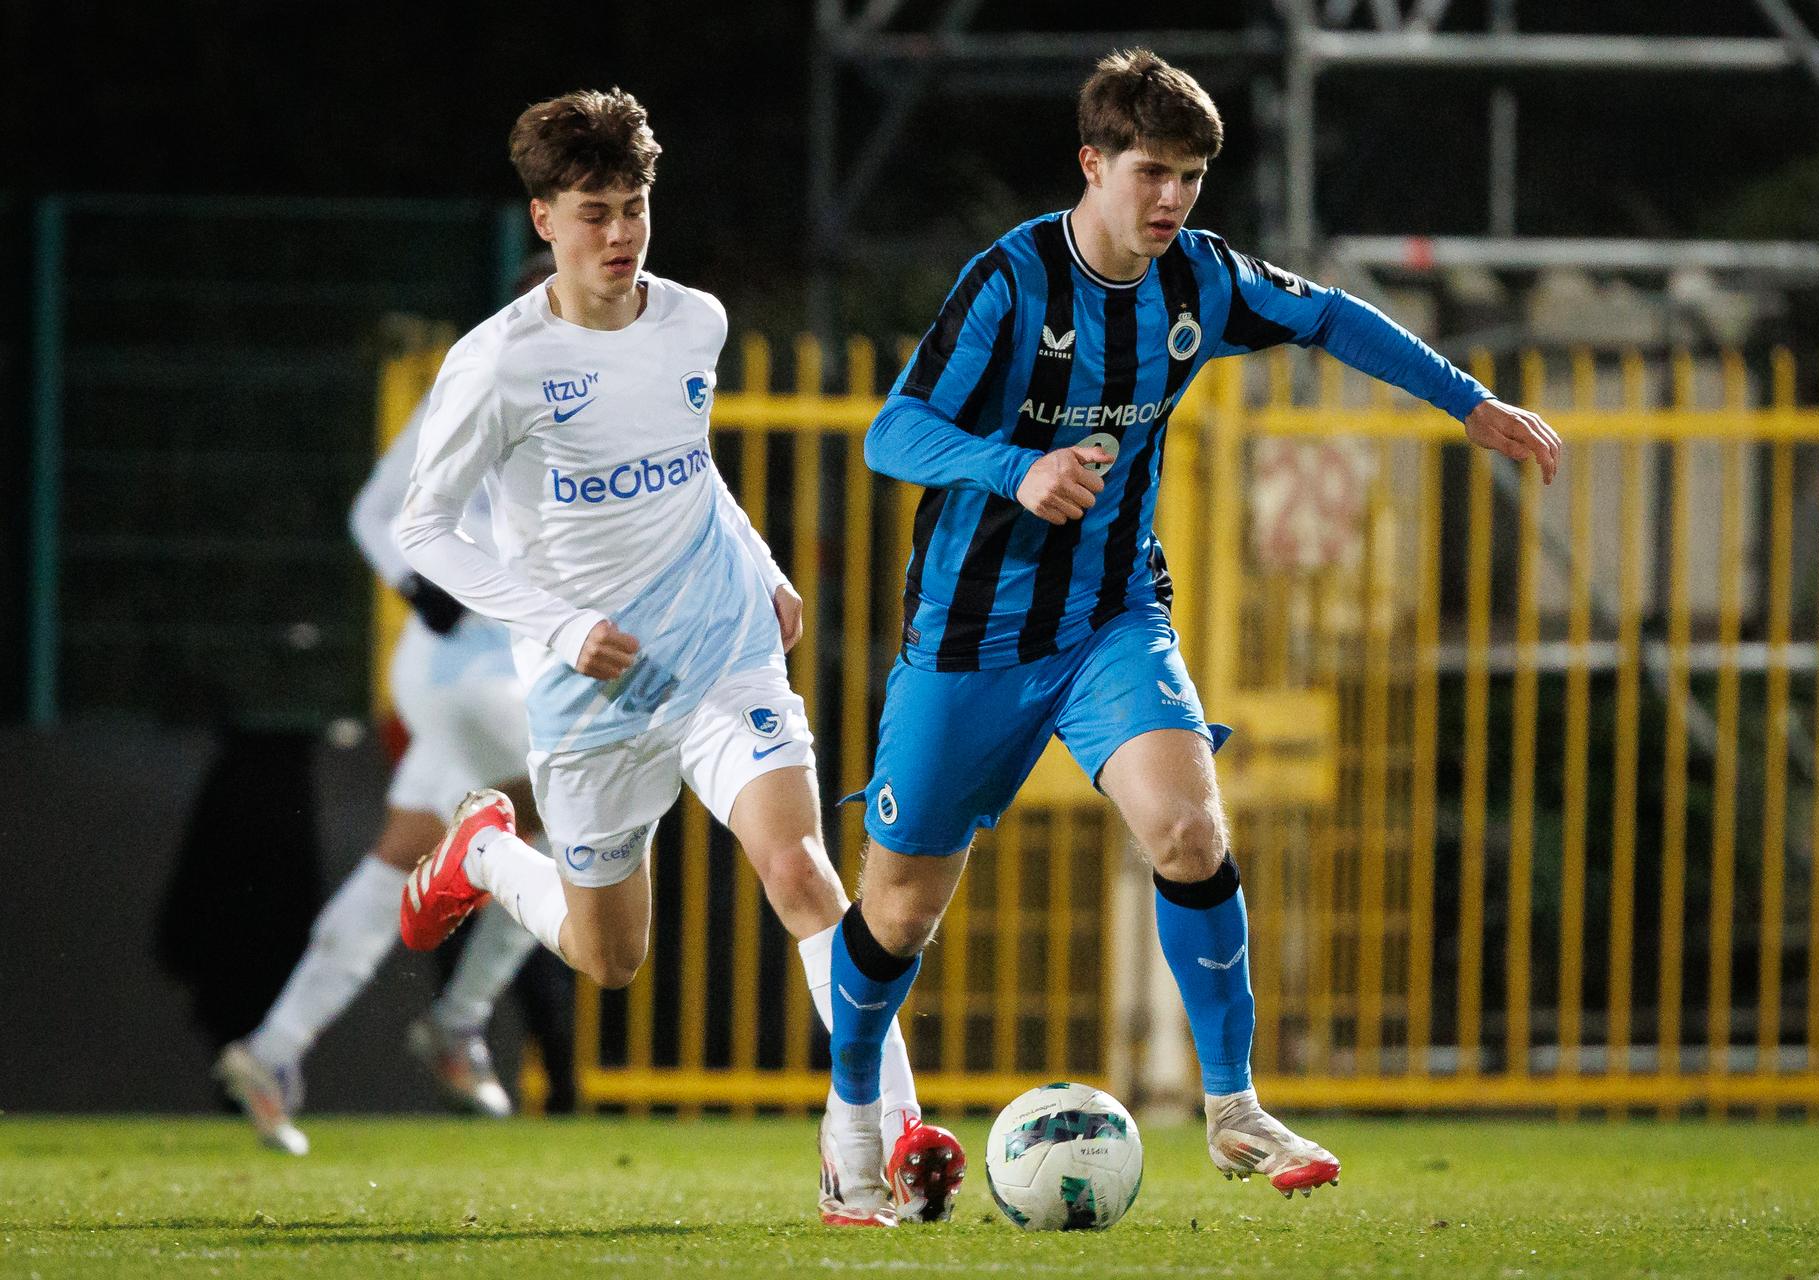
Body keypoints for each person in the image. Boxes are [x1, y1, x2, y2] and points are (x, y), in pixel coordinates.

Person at [826, 49, 1563, 1203]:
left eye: (1191, 177)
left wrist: (1468, 402)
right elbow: (893, 431)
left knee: (1188, 829)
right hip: (969, 639)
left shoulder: (1201, 282)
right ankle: (852, 1113)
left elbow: (1330, 317)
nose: (1171, 198)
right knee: (901, 908)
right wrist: (1016, 468)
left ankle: (1232, 1105)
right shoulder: (1012, 282)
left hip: (1111, 617)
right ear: (1092, 164)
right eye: (1151, 173)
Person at [391, 88, 961, 1226]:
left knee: (802, 870)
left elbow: (688, 465)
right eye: (594, 212)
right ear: (545, 219)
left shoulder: (693, 321)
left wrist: (760, 563)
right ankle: (485, 853)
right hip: (594, 687)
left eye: (635, 207)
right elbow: (424, 530)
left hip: (717, 649)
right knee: (609, 958)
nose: (621, 234)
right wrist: (561, 626)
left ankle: (880, 1137)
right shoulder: (498, 364)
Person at [214, 257, 561, 1151]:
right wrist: (419, 586)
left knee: (397, 857)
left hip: (481, 678)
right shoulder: (485, 384)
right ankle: (457, 1020)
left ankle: (273, 1050)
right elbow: (377, 512)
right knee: (596, 811)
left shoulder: (591, 396)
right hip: (471, 673)